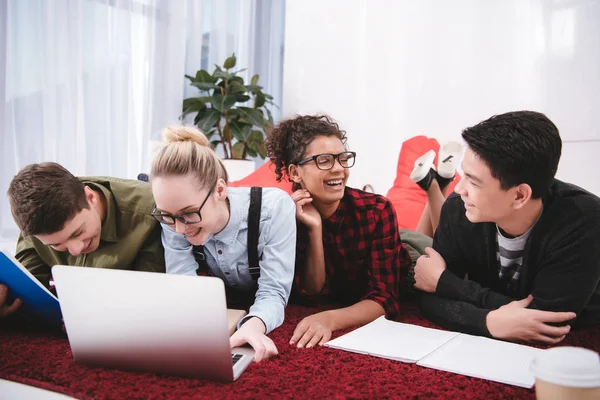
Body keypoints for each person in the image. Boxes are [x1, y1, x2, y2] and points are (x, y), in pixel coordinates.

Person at [414, 111, 600, 344]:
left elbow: (548, 321)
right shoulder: (459, 207)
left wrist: (447, 283)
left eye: (473, 181)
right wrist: (488, 321)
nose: (460, 189)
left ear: (520, 195)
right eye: (463, 175)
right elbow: (427, 297)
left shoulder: (584, 220)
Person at [150, 126, 296, 362]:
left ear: (219, 190)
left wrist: (252, 327)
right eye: (167, 215)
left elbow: (274, 292)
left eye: (188, 213)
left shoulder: (275, 208)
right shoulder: (173, 218)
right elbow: (183, 283)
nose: (178, 228)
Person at [266, 114, 412, 349]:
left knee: (430, 250)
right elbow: (311, 293)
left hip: (408, 257)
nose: (338, 169)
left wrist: (330, 319)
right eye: (324, 160)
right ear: (294, 173)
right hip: (351, 280)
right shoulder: (284, 218)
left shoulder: (377, 210)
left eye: (343, 159)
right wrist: (315, 229)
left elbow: (386, 299)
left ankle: (435, 183)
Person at [2, 162, 165, 320]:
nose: (76, 250)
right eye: (56, 244)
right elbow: (26, 290)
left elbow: (148, 296)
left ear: (90, 198)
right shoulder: (35, 218)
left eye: (77, 232)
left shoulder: (153, 212)